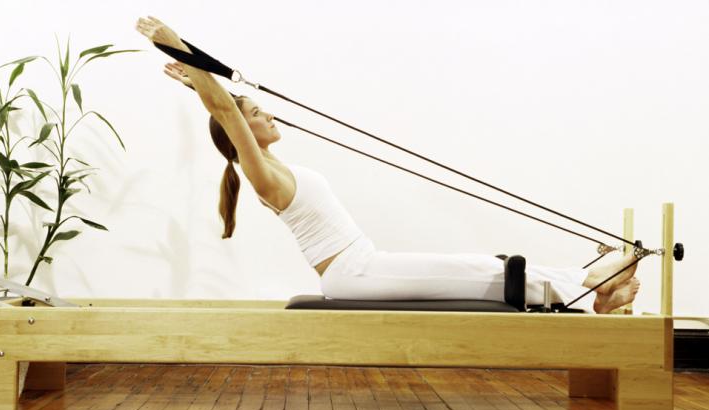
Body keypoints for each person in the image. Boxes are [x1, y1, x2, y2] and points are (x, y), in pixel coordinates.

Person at [136, 16, 640, 314]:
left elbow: (228, 111)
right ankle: (587, 286)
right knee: (479, 270)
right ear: (240, 134)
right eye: (255, 113)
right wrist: (175, 43)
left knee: (481, 266)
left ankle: (590, 290)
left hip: (363, 266)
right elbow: (226, 112)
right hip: (354, 274)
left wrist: (198, 79)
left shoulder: (275, 166)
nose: (266, 113)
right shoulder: (260, 175)